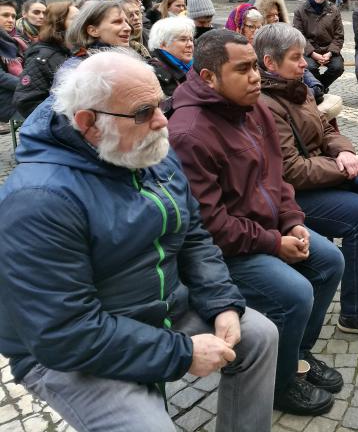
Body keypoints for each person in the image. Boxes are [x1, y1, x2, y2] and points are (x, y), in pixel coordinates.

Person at [0, 51, 280, 431]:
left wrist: (222, 302)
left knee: (259, 335)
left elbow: (194, 236)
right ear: (88, 123)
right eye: (143, 112)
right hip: (70, 353)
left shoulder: (149, 149)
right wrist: (181, 354)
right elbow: (63, 333)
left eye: (160, 105)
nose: (163, 121)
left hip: (155, 309)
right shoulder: (38, 199)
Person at [168, 30, 344, 416]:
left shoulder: (254, 107)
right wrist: (273, 243)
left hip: (267, 229)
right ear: (209, 77)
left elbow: (277, 176)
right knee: (294, 294)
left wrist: (293, 221)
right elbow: (210, 227)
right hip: (225, 251)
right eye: (243, 69)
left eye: (254, 66)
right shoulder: (189, 132)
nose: (254, 77)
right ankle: (279, 385)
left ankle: (296, 354)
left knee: (330, 261)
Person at [256, 23, 358, 336]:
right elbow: (291, 171)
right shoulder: (266, 104)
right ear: (270, 63)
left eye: (303, 55)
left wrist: (346, 154)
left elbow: (328, 128)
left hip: (322, 173)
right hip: (289, 195)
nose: (305, 63)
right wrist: (345, 168)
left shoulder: (296, 88)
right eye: (296, 58)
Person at [13, 1, 77, 118]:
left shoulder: (73, 51)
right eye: (75, 19)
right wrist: (60, 121)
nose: (83, 22)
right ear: (59, 23)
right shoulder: (42, 56)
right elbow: (26, 101)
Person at [293, 0, 345, 92]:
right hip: (310, 50)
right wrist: (313, 53)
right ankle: (319, 88)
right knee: (309, 67)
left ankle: (319, 87)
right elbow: (299, 36)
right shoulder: (301, 11)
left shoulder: (333, 10)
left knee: (338, 68)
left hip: (329, 50)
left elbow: (339, 35)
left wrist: (330, 53)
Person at [64, 0, 132, 62]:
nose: (128, 28)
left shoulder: (124, 57)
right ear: (93, 31)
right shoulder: (81, 66)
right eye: (117, 22)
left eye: (127, 22)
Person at [147, 15, 195, 97]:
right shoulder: (153, 74)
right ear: (163, 44)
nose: (190, 44)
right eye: (183, 39)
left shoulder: (195, 67)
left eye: (191, 39)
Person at [0, 0, 25, 133]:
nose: (10, 20)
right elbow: (1, 77)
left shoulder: (16, 39)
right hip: (5, 96)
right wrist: (28, 84)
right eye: (5, 15)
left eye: (13, 16)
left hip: (19, 91)